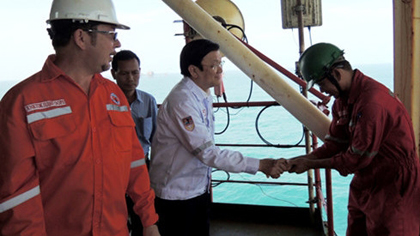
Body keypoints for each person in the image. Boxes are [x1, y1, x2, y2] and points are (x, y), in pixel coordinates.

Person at [0, 0, 160, 235]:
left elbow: (134, 163)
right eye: (111, 34)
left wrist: (149, 221)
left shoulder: (114, 95)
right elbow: (17, 196)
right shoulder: (22, 102)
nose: (117, 44)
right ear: (81, 38)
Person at [148, 39, 286, 236]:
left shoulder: (201, 93)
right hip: (176, 196)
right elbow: (207, 153)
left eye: (221, 63)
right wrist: (260, 165)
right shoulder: (182, 101)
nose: (220, 70)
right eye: (213, 65)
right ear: (194, 71)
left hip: (196, 190)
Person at [287, 42, 420, 235]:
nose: (323, 91)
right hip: (367, 180)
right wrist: (302, 160)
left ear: (337, 75)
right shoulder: (342, 102)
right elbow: (334, 144)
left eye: (322, 84)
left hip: (394, 183)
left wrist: (309, 165)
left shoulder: (372, 103)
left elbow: (355, 160)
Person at [111, 50, 158, 236]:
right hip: (113, 169)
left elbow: (156, 140)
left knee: (142, 216)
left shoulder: (148, 101)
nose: (130, 78)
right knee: (116, 216)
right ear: (114, 73)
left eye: (135, 72)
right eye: (124, 73)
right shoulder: (104, 100)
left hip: (142, 167)